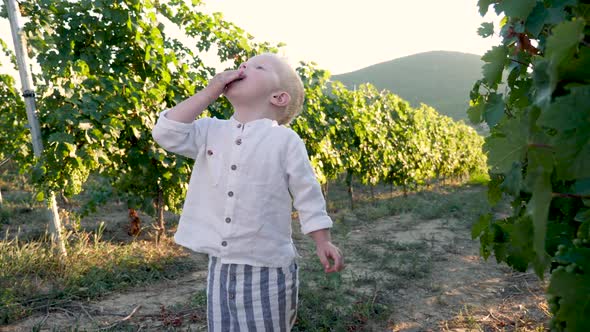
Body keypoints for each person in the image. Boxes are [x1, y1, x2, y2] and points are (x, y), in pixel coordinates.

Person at [152, 53, 344, 331]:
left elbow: (307, 193)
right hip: (221, 265)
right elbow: (166, 133)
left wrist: (322, 240)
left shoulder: (285, 140)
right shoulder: (209, 130)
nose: (243, 67)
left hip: (267, 267)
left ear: (278, 98)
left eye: (258, 67)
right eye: (244, 65)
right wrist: (209, 92)